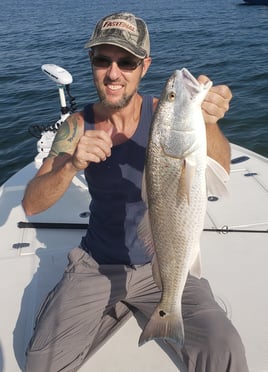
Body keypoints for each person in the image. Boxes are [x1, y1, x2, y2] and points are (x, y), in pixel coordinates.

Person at [22, 12, 249, 372]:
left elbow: (219, 170)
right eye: (103, 59)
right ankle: (120, 308)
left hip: (164, 263)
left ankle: (150, 309)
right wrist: (70, 165)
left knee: (225, 349)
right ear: (92, 63)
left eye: (126, 61)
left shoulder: (168, 113)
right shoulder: (76, 125)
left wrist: (209, 123)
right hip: (96, 264)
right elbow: (32, 204)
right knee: (40, 363)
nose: (114, 73)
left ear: (144, 66)